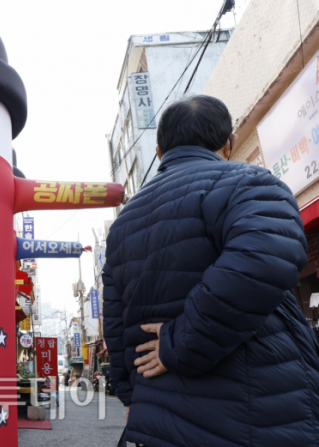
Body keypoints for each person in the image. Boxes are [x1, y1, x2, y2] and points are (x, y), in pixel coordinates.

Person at [103, 95, 319, 447]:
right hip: (256, 416)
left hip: (159, 421)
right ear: (229, 144)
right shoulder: (249, 183)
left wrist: (134, 394)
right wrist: (179, 342)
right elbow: (264, 258)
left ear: (159, 152)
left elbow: (114, 322)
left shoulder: (124, 223)